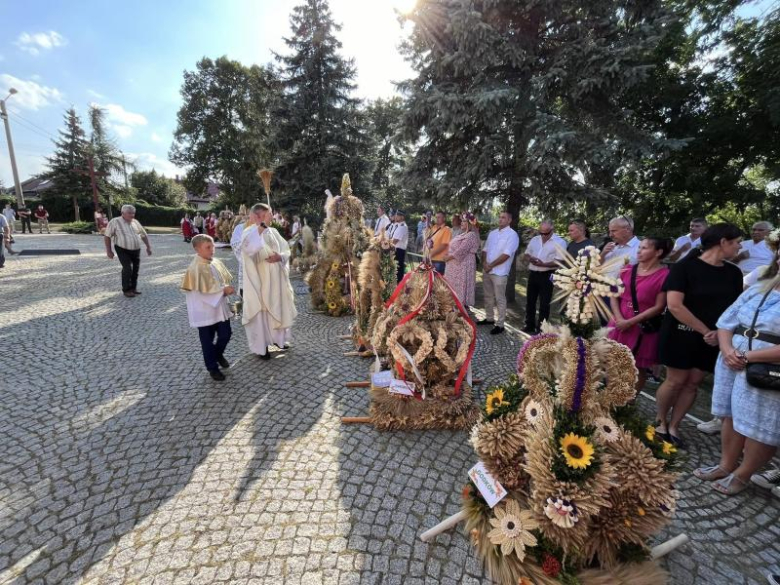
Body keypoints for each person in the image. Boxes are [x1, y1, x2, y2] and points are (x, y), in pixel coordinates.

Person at [692, 261, 780, 495]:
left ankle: (742, 475)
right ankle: (725, 465)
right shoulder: (759, 288)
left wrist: (746, 355)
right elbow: (726, 322)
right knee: (730, 414)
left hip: (767, 369)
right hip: (731, 360)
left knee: (761, 424)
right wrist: (727, 349)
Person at [654, 223, 744, 448]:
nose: (740, 246)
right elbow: (675, 305)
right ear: (723, 242)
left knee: (693, 383)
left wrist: (720, 334)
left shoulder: (733, 273)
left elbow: (735, 308)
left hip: (714, 338)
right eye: (737, 242)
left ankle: (675, 425)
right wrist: (705, 331)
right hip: (681, 333)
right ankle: (660, 422)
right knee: (675, 381)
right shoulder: (684, 267)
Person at [608, 237, 672, 392]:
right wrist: (619, 318)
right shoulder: (628, 269)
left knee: (636, 366)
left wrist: (630, 322)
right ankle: (610, 396)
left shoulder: (665, 275)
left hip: (641, 324)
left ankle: (628, 401)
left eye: (644, 248)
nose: (639, 251)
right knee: (612, 361)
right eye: (639, 247)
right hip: (619, 319)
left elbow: (659, 306)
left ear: (658, 252)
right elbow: (614, 295)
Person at [241, 203, 297, 359]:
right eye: (270, 214)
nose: (273, 216)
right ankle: (262, 347)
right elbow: (249, 248)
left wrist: (281, 257)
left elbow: (285, 248)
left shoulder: (273, 232)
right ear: (260, 216)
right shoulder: (249, 232)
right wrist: (262, 226)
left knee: (278, 307)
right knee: (262, 313)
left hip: (277, 281)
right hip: (261, 282)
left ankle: (278, 341)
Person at [180, 234, 235, 381]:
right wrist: (223, 291)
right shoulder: (194, 269)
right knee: (207, 341)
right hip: (204, 311)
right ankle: (212, 368)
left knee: (226, 334)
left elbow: (217, 282)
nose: (212, 250)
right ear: (197, 249)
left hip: (220, 307)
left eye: (213, 246)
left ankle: (217, 354)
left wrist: (225, 289)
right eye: (208, 247)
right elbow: (201, 293)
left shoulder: (214, 262)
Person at [479, 211, 520, 335]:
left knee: (500, 299)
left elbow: (507, 255)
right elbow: (485, 249)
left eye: (504, 218)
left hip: (500, 272)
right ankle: (489, 318)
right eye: (500, 217)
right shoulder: (492, 233)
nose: (500, 219)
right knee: (488, 296)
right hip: (487, 270)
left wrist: (490, 265)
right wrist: (485, 263)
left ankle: (500, 324)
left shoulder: (512, 235)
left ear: (509, 221)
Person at [523, 220, 566, 335]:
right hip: (533, 273)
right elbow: (527, 253)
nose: (543, 235)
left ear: (552, 230)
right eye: (540, 232)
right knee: (530, 301)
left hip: (547, 275)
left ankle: (541, 329)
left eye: (546, 233)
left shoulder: (560, 242)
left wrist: (544, 264)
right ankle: (529, 325)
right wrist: (530, 258)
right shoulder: (534, 239)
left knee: (544, 303)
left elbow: (560, 261)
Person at [104, 205, 153, 298]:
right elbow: (107, 236)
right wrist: (108, 250)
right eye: (129, 213)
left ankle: (133, 288)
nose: (132, 215)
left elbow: (143, 234)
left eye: (133, 213)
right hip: (122, 248)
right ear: (122, 213)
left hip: (136, 249)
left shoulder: (135, 222)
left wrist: (148, 246)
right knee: (127, 268)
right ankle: (126, 289)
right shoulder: (115, 221)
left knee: (135, 269)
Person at [444, 212, 481, 308]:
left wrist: (448, 257)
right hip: (454, 268)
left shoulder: (471, 235)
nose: (461, 222)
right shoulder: (462, 234)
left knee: (461, 292)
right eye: (462, 221)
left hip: (463, 267)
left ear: (470, 223)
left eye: (464, 221)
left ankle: (461, 310)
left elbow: (461, 250)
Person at [387, 210, 409, 284]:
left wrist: (386, 243)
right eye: (396, 215)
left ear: (402, 217)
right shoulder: (397, 225)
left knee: (398, 270)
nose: (396, 216)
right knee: (394, 269)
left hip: (399, 250)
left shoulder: (403, 227)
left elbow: (395, 241)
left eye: (398, 215)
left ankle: (398, 285)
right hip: (394, 249)